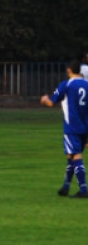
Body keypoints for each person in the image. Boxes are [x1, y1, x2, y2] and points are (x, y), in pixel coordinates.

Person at [40, 60, 88, 198]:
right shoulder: (87, 85)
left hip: (72, 126)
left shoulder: (66, 85)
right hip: (85, 125)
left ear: (68, 70)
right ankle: (66, 186)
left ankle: (84, 189)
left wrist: (44, 99)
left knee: (76, 156)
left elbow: (51, 103)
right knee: (71, 156)